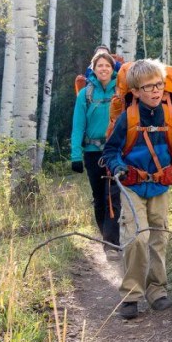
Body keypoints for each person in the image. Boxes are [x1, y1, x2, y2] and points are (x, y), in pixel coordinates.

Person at [102, 59, 172, 320]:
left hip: (160, 185)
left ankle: (157, 292)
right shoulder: (127, 118)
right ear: (136, 91)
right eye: (148, 87)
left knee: (159, 237)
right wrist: (117, 165)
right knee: (137, 236)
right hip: (131, 184)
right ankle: (131, 295)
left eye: (159, 85)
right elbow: (110, 151)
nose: (155, 91)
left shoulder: (170, 114)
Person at [70, 51, 121, 255]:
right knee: (99, 197)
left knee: (114, 196)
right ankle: (106, 238)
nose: (103, 69)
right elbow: (77, 126)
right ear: (94, 69)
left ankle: (111, 243)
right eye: (99, 65)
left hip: (116, 150)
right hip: (93, 153)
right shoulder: (85, 94)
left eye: (107, 65)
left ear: (112, 68)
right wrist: (76, 155)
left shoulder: (121, 90)